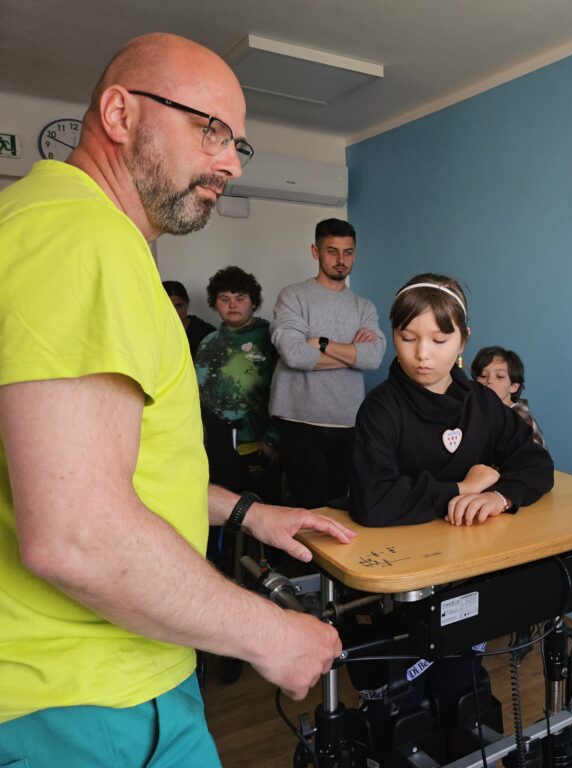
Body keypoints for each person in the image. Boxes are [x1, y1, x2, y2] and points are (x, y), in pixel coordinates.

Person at [0, 33, 355, 768]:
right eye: (210, 130)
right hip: (87, 703)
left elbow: (110, 473)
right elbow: (78, 535)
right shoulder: (81, 238)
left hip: (107, 684)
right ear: (120, 113)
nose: (230, 162)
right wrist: (271, 634)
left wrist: (249, 512)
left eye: (238, 144)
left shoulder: (55, 224)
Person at [351, 274, 554, 527]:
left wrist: (500, 497)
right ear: (393, 336)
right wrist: (463, 488)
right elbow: (372, 501)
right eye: (408, 338)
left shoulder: (484, 402)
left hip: (474, 541)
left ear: (463, 341)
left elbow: (537, 463)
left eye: (439, 340)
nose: (422, 354)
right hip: (402, 546)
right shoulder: (379, 408)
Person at [269, 218, 385, 509]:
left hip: (347, 420)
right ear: (315, 251)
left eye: (348, 252)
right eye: (332, 251)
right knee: (307, 510)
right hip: (299, 420)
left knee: (338, 508)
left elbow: (373, 357)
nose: (341, 260)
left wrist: (320, 343)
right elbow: (294, 354)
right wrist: (352, 356)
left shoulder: (364, 306)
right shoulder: (293, 296)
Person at [195, 266, 280, 502]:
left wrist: (273, 438)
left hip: (259, 446)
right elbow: (197, 394)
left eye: (240, 298)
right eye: (224, 299)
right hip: (216, 446)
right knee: (220, 509)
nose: (232, 305)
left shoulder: (271, 339)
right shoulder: (208, 343)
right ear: (215, 303)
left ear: (253, 302)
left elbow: (285, 391)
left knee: (261, 510)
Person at [471, 346, 548, 450]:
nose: (489, 381)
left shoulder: (521, 419)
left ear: (514, 386)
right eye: (483, 376)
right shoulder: (479, 411)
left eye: (499, 376)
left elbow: (533, 457)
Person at [164, 278, 217, 358]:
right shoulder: (151, 333)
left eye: (179, 306)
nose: (175, 313)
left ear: (187, 303)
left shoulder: (206, 334)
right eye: (168, 307)